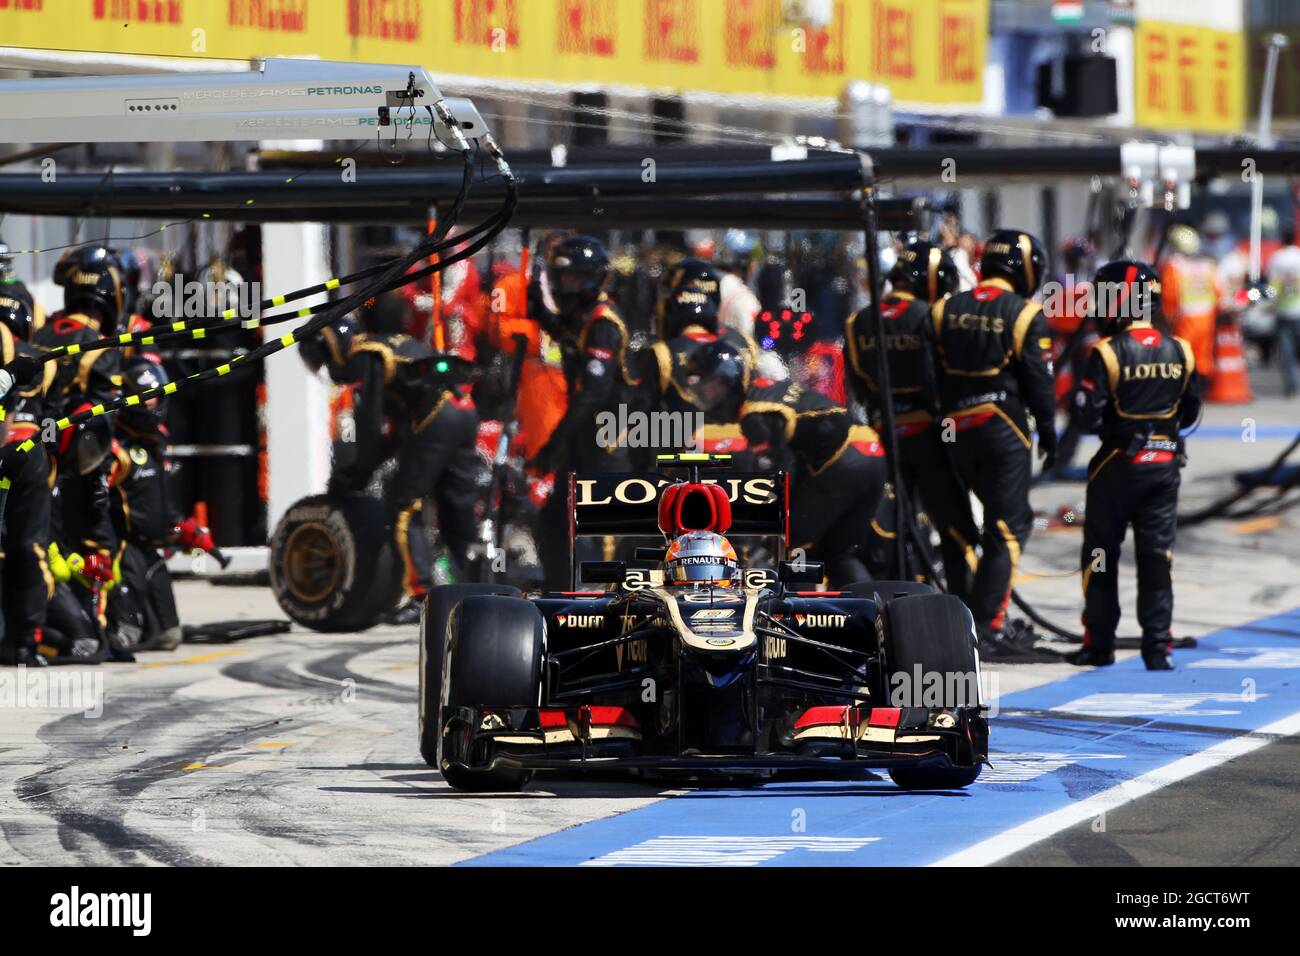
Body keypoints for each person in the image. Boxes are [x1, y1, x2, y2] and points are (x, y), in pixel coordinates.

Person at [931, 229, 1058, 659]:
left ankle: (957, 621)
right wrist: (1050, 432)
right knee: (1008, 527)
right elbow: (1039, 380)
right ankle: (985, 626)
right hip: (1002, 425)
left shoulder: (943, 308)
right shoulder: (1024, 313)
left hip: (951, 428)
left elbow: (931, 375)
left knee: (958, 529)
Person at [1070, 260, 1202, 670]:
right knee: (1157, 557)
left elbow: (1086, 418)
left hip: (1115, 466)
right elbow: (1191, 412)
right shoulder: (1181, 349)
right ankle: (1158, 648)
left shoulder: (1105, 352)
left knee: (1100, 555)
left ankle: (1099, 645)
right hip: (1165, 465)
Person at [327, 293, 480, 624]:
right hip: (464, 410)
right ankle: (477, 591)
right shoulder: (403, 344)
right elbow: (396, 434)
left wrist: (357, 473)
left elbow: (369, 427)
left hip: (437, 415)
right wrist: (362, 470)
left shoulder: (369, 352)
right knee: (456, 507)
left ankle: (420, 594)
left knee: (401, 504)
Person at [844, 240, 978, 602]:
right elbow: (943, 376)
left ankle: (900, 602)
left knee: (895, 527)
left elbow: (857, 386)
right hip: (930, 436)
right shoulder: (931, 316)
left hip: (884, 437)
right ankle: (965, 607)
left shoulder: (858, 321)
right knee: (956, 529)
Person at [689, 340, 886, 586]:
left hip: (842, 460)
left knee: (792, 543)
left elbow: (777, 471)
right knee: (839, 552)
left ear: (728, 381)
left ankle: (798, 616)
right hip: (873, 452)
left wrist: (764, 518)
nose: (704, 397)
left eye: (708, 387)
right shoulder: (766, 388)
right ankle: (867, 614)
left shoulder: (754, 414)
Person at [530, 236, 638, 590]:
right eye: (562, 280)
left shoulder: (604, 324)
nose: (567, 287)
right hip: (583, 439)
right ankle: (564, 588)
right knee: (555, 521)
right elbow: (560, 331)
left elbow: (593, 394)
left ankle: (602, 595)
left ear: (592, 279)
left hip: (608, 442)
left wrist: (554, 444)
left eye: (574, 279)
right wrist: (536, 301)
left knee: (597, 524)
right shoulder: (581, 318)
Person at [105, 357, 209, 652]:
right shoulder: (113, 446)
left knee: (170, 636)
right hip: (122, 550)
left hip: (153, 549)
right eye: (145, 399)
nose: (152, 404)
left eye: (155, 398)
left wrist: (182, 527)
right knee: (127, 638)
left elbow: (161, 497)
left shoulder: (157, 442)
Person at [635, 258, 759, 461]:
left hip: (684, 456)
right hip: (740, 449)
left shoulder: (662, 352)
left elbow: (643, 419)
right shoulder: (743, 342)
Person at [0, 296, 54, 666]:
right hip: (31, 452)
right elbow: (54, 424)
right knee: (30, 547)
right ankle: (26, 643)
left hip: (8, 447)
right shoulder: (44, 361)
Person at [1159, 224, 1221, 376]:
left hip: (1185, 318)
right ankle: (1200, 385)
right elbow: (1218, 292)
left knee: (1183, 354)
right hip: (1207, 317)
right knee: (1202, 354)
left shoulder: (1173, 266)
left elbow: (1169, 294)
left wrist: (1167, 317)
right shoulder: (1208, 265)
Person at [1267, 227, 1300, 397]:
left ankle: (1291, 385)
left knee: (1286, 351)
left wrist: (1270, 304)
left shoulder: (1277, 259)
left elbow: (1272, 287)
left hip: (1283, 311)